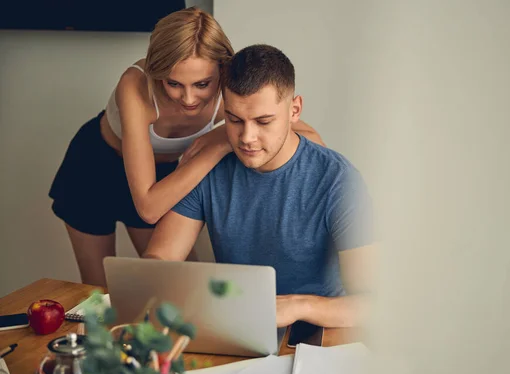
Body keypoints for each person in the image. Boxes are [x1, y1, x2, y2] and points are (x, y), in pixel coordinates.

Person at [48, 7, 325, 287]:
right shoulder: (134, 85)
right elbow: (149, 208)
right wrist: (218, 146)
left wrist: (218, 137)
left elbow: (313, 139)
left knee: (179, 282)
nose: (189, 98)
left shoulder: (231, 85)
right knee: (97, 291)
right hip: (94, 167)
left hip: (164, 173)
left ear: (223, 69)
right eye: (174, 84)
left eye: (203, 84)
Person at [144, 44, 374, 328]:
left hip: (318, 333)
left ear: (295, 110)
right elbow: (160, 257)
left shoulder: (339, 180)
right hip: (235, 327)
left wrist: (297, 305)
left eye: (263, 121)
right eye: (234, 120)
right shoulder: (208, 168)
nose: (247, 138)